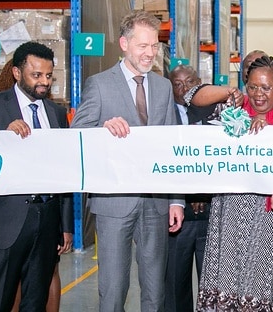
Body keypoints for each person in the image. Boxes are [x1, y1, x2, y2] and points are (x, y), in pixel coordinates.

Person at [70, 11, 185, 311]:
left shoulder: (162, 87)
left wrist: (176, 200)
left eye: (155, 46)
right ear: (124, 43)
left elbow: (170, 147)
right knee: (113, 289)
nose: (150, 53)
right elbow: (77, 136)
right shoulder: (99, 84)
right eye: (142, 46)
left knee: (155, 290)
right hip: (114, 202)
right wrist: (102, 129)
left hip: (156, 202)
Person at [0, 41, 72, 311]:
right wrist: (3, 136)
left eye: (48, 76)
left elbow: (65, 172)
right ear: (17, 73)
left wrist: (65, 225)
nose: (44, 82)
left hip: (47, 221)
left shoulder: (57, 114)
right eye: (36, 75)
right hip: (4, 224)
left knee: (35, 301)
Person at [197, 55, 273, 311]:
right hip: (229, 216)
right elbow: (192, 97)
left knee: (263, 288)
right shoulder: (232, 113)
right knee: (227, 284)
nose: (258, 94)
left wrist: (268, 132)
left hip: (270, 218)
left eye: (266, 88)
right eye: (253, 86)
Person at [164, 65, 241, 312]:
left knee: (213, 288)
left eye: (190, 82)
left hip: (212, 213)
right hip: (178, 215)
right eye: (177, 83)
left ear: (200, 83)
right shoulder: (162, 117)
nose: (184, 88)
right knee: (176, 286)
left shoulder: (217, 111)